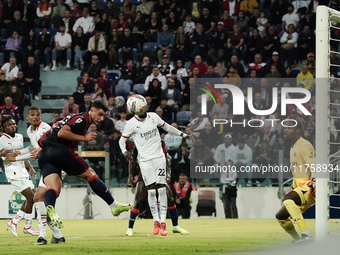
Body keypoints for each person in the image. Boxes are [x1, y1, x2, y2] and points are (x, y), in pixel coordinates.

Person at [35, 101, 132, 228]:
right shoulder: (81, 119)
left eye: (104, 116)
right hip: (59, 150)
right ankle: (114, 206)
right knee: (91, 175)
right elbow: (62, 133)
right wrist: (84, 138)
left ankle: (51, 208)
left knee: (53, 188)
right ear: (91, 111)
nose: (101, 119)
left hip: (44, 155)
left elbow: (53, 133)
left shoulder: (75, 118)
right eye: (99, 114)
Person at [119, 95, 191, 236]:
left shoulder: (153, 117)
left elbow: (168, 127)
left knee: (164, 192)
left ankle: (166, 223)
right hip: (145, 162)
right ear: (136, 111)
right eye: (142, 108)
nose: (145, 109)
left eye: (145, 107)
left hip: (158, 159)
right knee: (146, 194)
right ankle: (148, 223)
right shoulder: (131, 124)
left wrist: (183, 134)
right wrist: (124, 152)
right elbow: (124, 145)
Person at [5, 106, 65, 245]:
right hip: (46, 167)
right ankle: (57, 235)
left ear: (41, 116)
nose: (36, 117)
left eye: (38, 114)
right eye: (33, 115)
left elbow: (39, 149)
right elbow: (33, 148)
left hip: (54, 166)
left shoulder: (44, 128)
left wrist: (17, 158)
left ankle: (42, 236)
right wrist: (21, 152)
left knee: (38, 199)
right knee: (41, 202)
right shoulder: (30, 131)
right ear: (28, 117)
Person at [125, 140, 189, 236]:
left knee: (170, 198)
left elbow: (166, 157)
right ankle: (130, 228)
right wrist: (130, 176)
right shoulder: (139, 142)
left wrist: (167, 173)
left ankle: (175, 227)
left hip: (159, 172)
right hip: (145, 172)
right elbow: (133, 159)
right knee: (139, 199)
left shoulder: (160, 142)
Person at [275, 120, 315, 241]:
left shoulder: (304, 145)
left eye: (290, 128)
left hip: (309, 186)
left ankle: (306, 234)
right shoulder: (293, 148)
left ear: (298, 131)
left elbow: (314, 165)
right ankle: (298, 241)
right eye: (285, 128)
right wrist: (294, 187)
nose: (286, 130)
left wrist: (315, 182)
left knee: (287, 199)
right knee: (281, 216)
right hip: (300, 187)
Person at [1, 116, 39, 237]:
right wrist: (3, 153)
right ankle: (27, 226)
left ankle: (14, 221)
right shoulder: (1, 139)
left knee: (31, 197)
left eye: (13, 124)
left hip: (23, 170)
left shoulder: (19, 137)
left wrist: (30, 167)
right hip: (13, 172)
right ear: (3, 127)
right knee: (31, 197)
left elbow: (21, 153)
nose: (12, 126)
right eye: (9, 125)